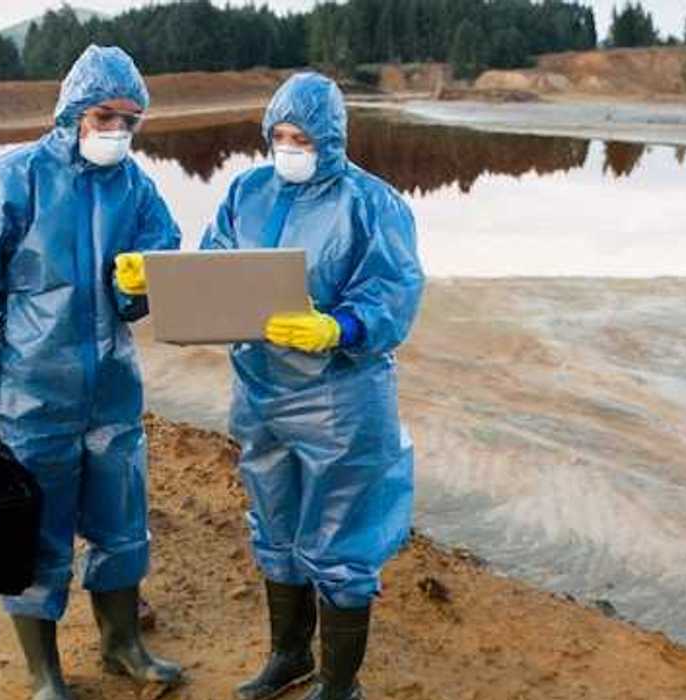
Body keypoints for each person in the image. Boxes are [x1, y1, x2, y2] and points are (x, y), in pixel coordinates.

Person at [0, 45, 183, 700]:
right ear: (74, 111)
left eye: (130, 119)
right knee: (35, 535)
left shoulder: (136, 187)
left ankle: (124, 645)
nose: (117, 131)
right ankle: (45, 676)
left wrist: (141, 283)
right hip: (30, 393)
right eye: (105, 115)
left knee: (121, 525)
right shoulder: (11, 181)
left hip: (112, 393)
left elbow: (155, 272)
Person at [201, 72, 425, 700]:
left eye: (300, 136)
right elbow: (212, 266)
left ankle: (339, 683)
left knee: (341, 537)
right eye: (278, 135)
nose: (287, 147)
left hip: (340, 397)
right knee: (274, 522)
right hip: (260, 386)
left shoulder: (371, 203)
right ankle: (290, 656)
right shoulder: (247, 191)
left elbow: (394, 292)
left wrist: (339, 325)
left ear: (330, 139)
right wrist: (160, 282)